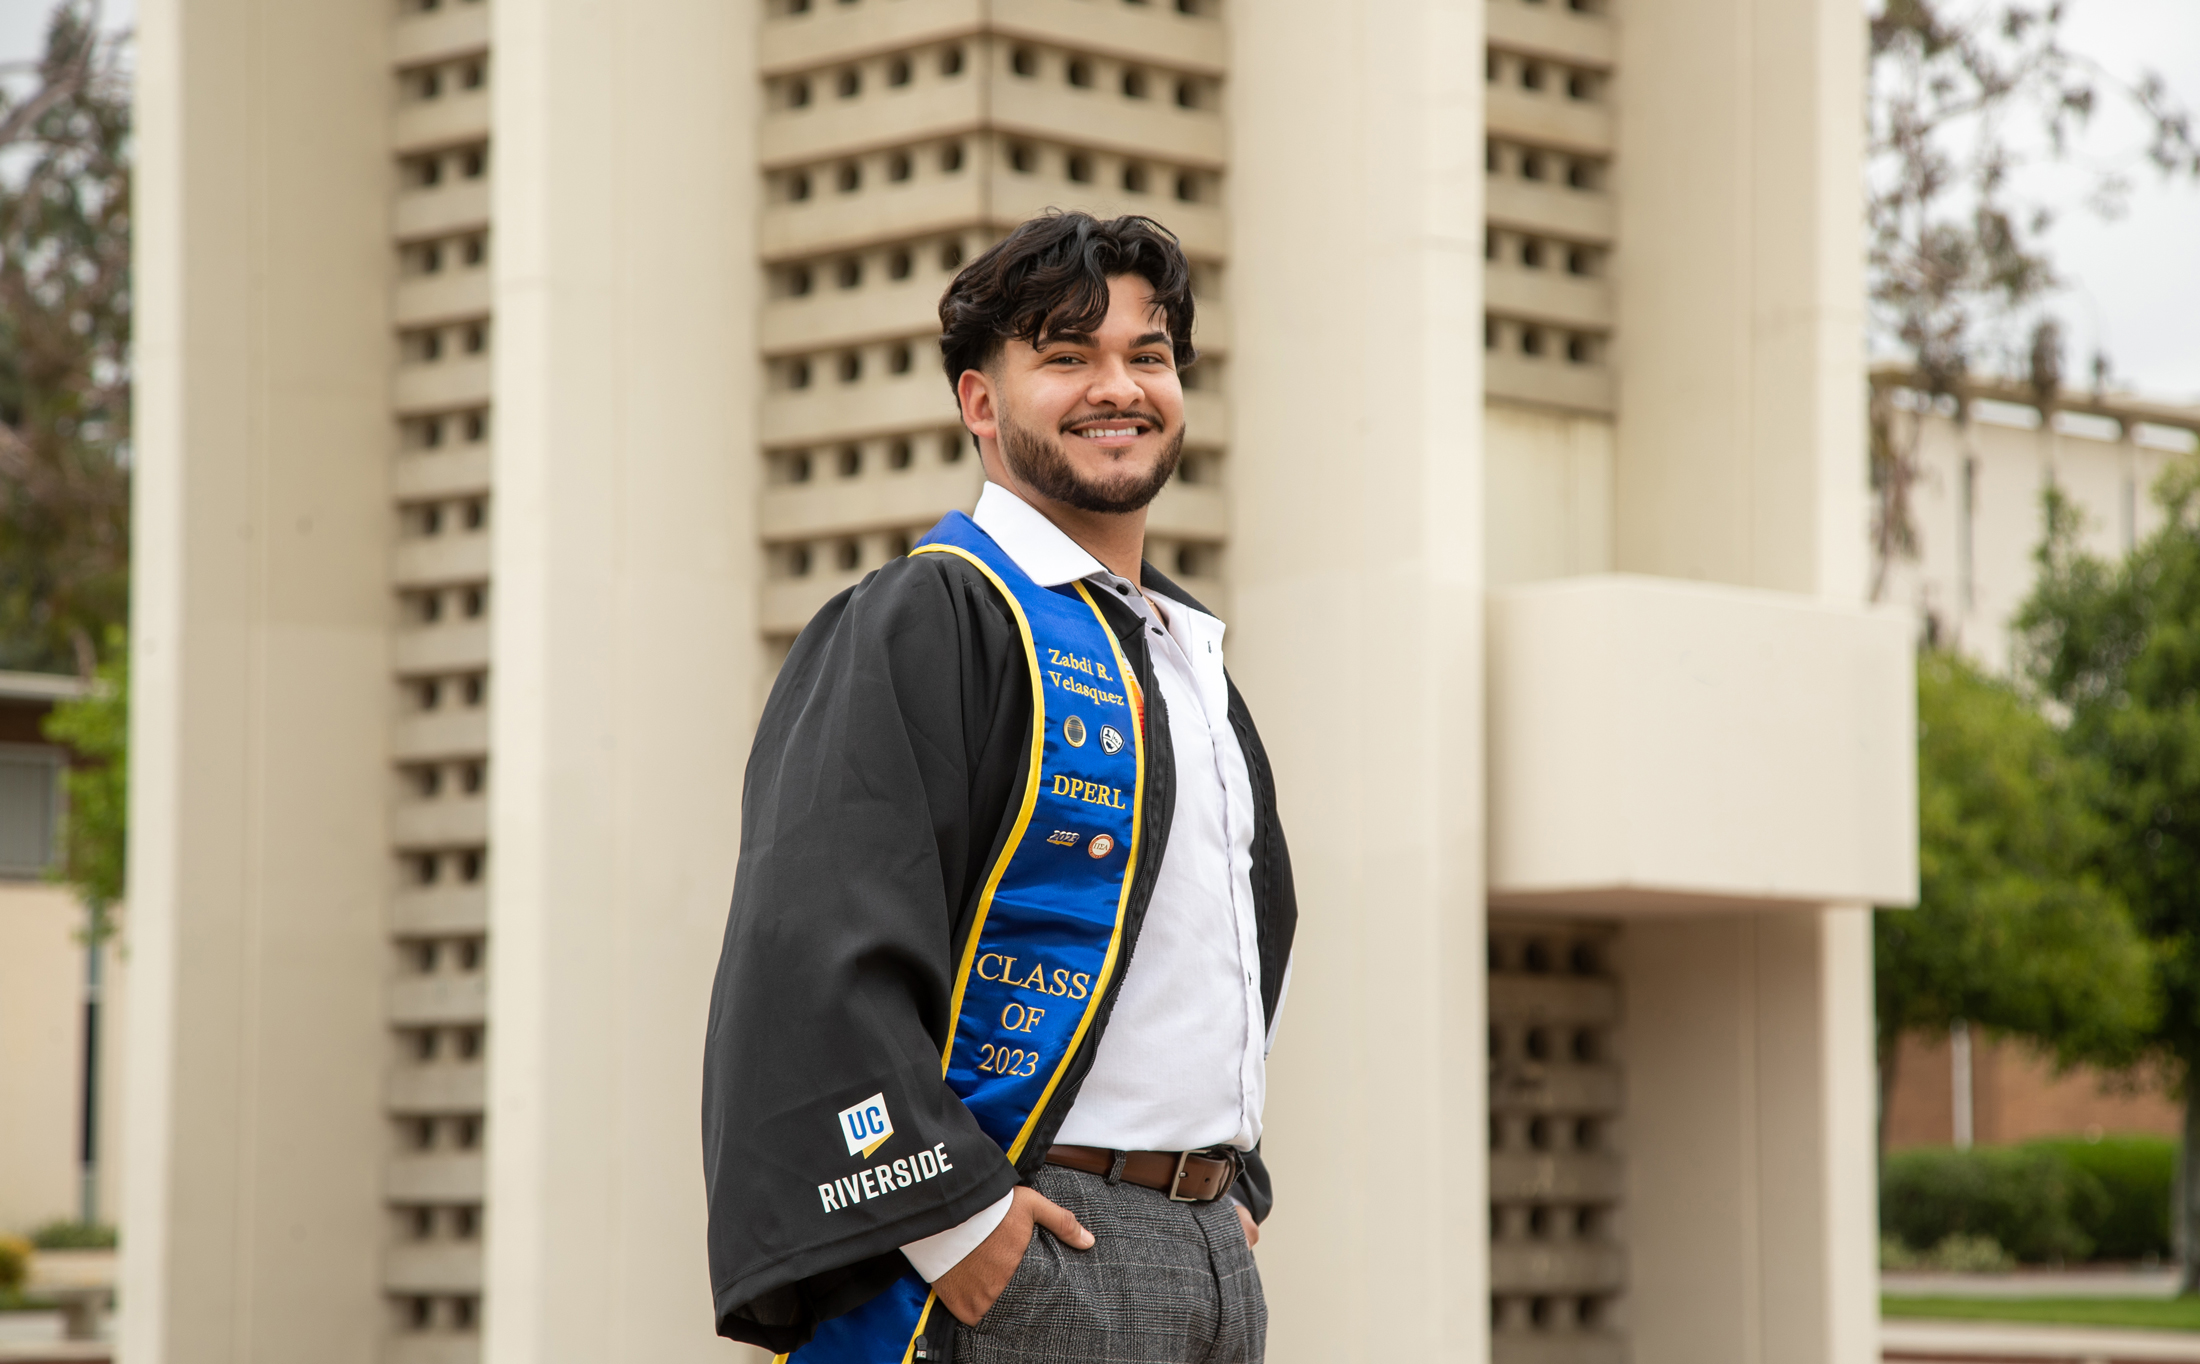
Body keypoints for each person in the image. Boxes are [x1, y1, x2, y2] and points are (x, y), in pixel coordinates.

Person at [703, 211, 1298, 1364]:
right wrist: (958, 1223)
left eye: (1148, 354)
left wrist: (1229, 1189)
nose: (1115, 387)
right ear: (980, 401)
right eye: (1065, 356)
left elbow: (1225, 949)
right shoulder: (928, 615)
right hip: (1024, 1249)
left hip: (1206, 1257)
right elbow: (816, 943)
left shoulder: (1183, 653)